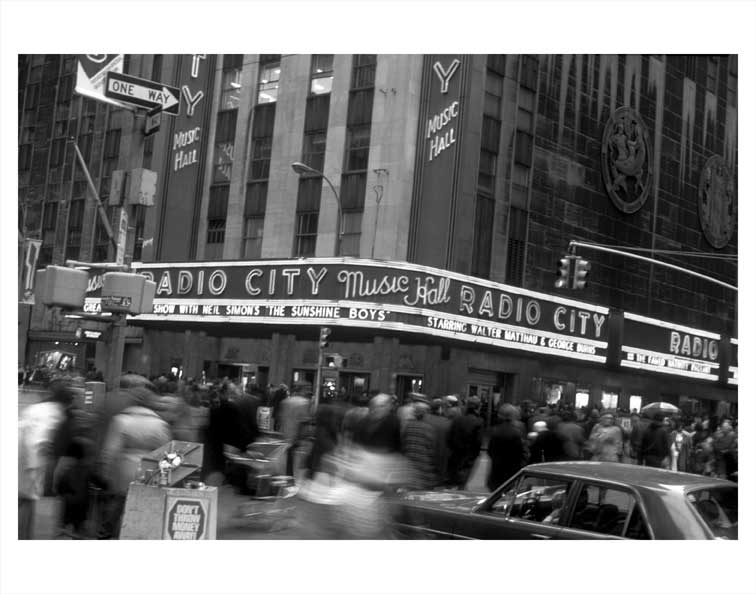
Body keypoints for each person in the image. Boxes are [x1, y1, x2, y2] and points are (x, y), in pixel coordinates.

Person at [97, 380, 172, 539]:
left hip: (122, 471)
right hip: (149, 473)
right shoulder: (160, 424)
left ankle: (106, 535)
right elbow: (167, 454)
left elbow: (110, 450)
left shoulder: (121, 420)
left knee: (116, 505)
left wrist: (104, 470)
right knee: (142, 509)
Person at [18, 377, 76, 539]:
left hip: (21, 454)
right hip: (27, 460)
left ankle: (24, 535)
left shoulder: (37, 408)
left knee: (23, 500)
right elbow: (38, 440)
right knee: (25, 499)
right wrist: (34, 468)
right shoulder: (55, 413)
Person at [486, 404, 528, 491]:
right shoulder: (516, 433)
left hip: (496, 469)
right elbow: (520, 453)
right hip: (511, 471)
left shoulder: (494, 430)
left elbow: (489, 451)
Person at [446, 396, 483, 489]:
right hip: (468, 455)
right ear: (478, 407)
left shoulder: (458, 419)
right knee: (463, 481)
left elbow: (449, 436)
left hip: (455, 453)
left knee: (454, 478)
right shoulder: (479, 421)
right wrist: (475, 455)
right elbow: (478, 442)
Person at [401, 399, 438, 489]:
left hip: (409, 468)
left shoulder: (408, 426)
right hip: (423, 469)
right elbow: (432, 449)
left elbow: (403, 443)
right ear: (425, 414)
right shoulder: (429, 428)